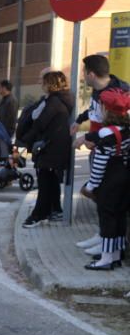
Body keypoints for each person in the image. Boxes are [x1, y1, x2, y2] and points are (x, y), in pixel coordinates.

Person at [80, 90, 130, 270]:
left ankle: (106, 258)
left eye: (100, 107)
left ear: (107, 111)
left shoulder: (105, 134)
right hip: (124, 178)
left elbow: (99, 164)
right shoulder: (125, 130)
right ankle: (116, 253)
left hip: (108, 182)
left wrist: (92, 185)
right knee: (119, 217)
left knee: (107, 217)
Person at [21, 72, 73, 228]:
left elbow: (40, 124)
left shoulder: (54, 102)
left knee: (45, 182)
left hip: (50, 147)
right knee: (50, 181)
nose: (41, 85)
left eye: (43, 82)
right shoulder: (61, 100)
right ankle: (55, 209)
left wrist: (24, 140)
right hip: (55, 147)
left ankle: (39, 214)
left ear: (50, 84)